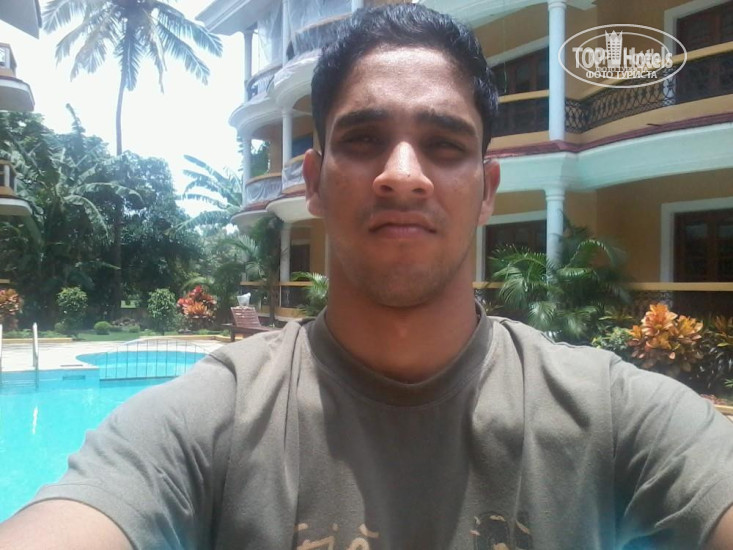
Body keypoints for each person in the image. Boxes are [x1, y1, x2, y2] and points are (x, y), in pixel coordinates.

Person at [2, 4, 733, 549]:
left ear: (486, 191)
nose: (402, 174)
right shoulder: (211, 419)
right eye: (363, 139)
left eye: (443, 144)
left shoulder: (610, 414)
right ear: (315, 182)